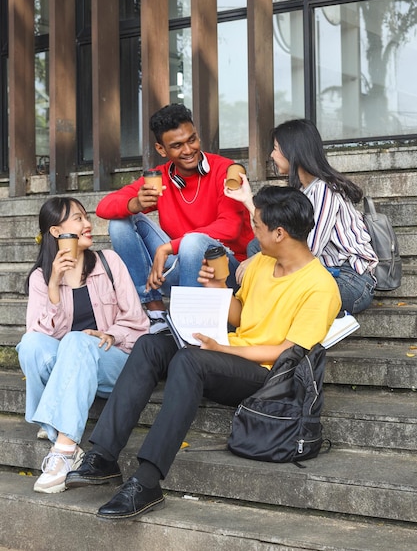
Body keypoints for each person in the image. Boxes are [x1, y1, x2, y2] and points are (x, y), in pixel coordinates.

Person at [65, 186, 341, 520]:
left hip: (269, 376)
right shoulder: (263, 264)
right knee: (152, 345)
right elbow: (243, 315)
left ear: (279, 233)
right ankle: (104, 456)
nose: (252, 233)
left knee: (190, 360)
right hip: (233, 355)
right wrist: (219, 291)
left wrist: (222, 348)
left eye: (257, 226)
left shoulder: (320, 286)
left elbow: (288, 351)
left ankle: (148, 481)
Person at [17, 197, 149, 494]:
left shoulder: (109, 262)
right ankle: (61, 432)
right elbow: (39, 337)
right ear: (56, 232)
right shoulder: (42, 277)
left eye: (85, 217)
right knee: (30, 344)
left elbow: (139, 324)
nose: (88, 224)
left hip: (113, 362)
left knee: (77, 340)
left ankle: (63, 448)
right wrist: (54, 285)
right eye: (78, 219)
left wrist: (112, 334)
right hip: (72, 363)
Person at [95, 103, 253, 332]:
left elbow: (229, 228)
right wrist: (135, 204)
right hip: (181, 267)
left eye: (192, 139)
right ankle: (156, 310)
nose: (188, 150)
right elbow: (103, 207)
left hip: (224, 270)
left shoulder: (225, 170)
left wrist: (167, 247)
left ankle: (187, 326)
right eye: (177, 146)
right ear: (161, 149)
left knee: (193, 242)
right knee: (120, 222)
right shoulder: (160, 179)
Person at [226, 119, 378, 315]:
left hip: (350, 281)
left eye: (275, 148)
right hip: (322, 273)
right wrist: (247, 199)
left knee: (273, 282)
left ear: (292, 151)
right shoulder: (303, 190)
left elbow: (307, 250)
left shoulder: (325, 191)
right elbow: (272, 232)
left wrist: (256, 261)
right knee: (256, 247)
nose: (271, 155)